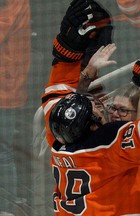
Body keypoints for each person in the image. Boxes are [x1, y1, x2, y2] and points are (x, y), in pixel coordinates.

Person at [41, 1, 140, 215]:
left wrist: (67, 52)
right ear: (94, 127)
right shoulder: (107, 145)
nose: (100, 105)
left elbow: (55, 96)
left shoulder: (58, 136)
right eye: (95, 107)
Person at [0, 0, 31, 214]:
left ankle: (7, 209)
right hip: (7, 87)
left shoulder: (13, 3)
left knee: (3, 152)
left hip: (6, 88)